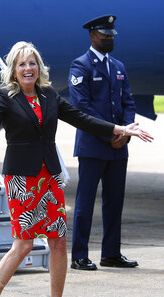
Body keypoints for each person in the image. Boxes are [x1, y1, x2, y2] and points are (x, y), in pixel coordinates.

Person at [0, 41, 152, 297]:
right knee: (24, 244)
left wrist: (119, 129)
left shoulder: (49, 95)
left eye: (32, 63)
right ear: (14, 70)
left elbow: (82, 119)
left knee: (58, 242)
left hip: (49, 177)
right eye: (22, 64)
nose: (28, 68)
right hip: (21, 179)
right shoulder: (6, 97)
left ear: (39, 68)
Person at [68, 15, 139, 271]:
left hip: (119, 146)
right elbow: (81, 107)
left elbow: (128, 102)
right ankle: (79, 255)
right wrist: (111, 133)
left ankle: (111, 253)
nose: (108, 39)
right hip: (94, 146)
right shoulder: (81, 66)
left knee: (114, 202)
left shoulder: (118, 66)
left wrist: (127, 131)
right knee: (85, 203)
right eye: (104, 35)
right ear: (92, 36)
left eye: (111, 36)